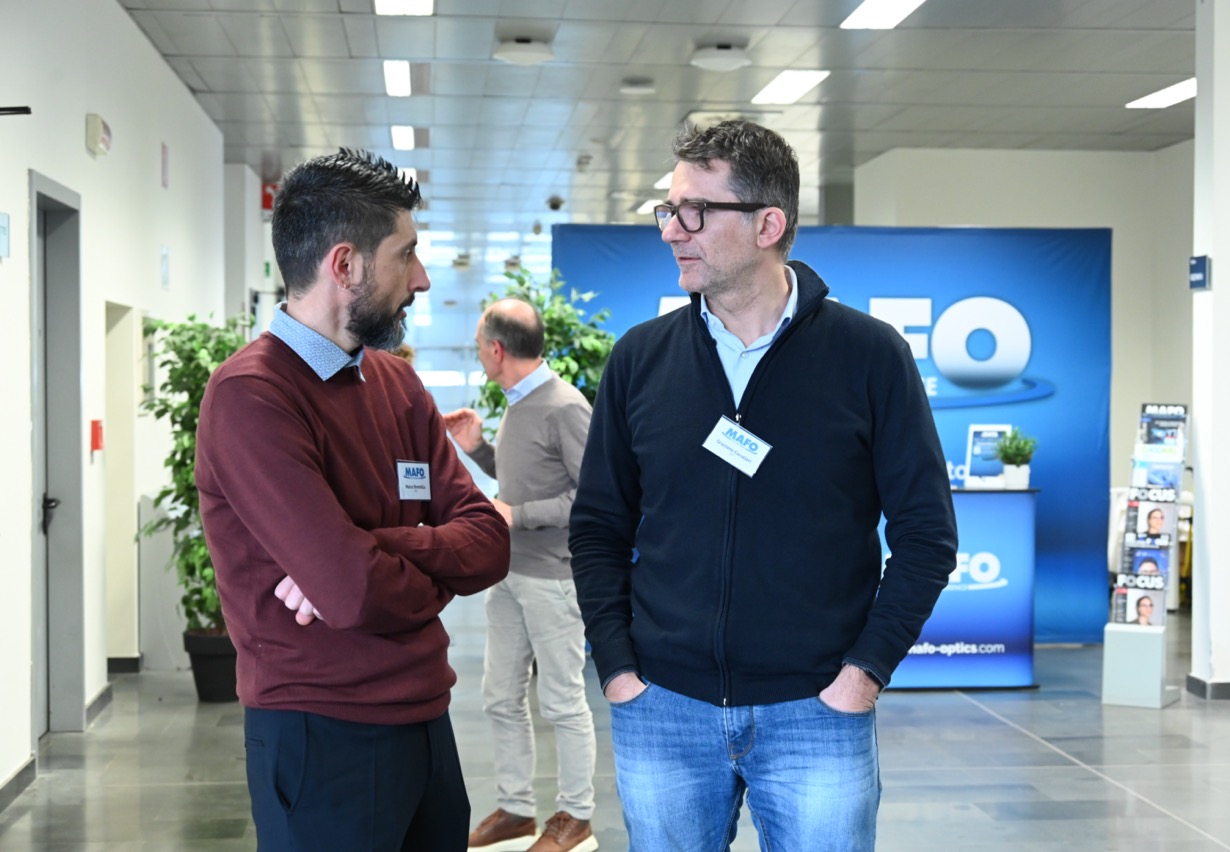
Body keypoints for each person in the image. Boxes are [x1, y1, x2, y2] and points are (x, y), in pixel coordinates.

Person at [568, 119, 958, 851]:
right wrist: (618, 669)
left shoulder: (870, 356)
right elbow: (596, 528)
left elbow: (927, 536)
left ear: (767, 225)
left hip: (817, 710)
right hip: (663, 708)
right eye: (669, 209)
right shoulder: (640, 359)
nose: (671, 230)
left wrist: (863, 675)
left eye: (695, 211)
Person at [195, 148, 511, 852]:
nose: (422, 279)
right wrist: (393, 565)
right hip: (320, 735)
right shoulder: (252, 396)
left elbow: (489, 542)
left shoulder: (398, 385)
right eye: (407, 255)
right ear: (345, 265)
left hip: (426, 725)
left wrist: (378, 545)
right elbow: (355, 592)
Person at [443, 299, 599, 852]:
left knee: (562, 702)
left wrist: (519, 515)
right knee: (500, 696)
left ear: (496, 349)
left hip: (554, 580)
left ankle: (576, 816)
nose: (478, 353)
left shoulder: (565, 406)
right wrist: (478, 450)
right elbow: (525, 481)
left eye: (478, 344)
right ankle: (516, 809)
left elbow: (593, 498)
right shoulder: (518, 402)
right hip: (509, 573)